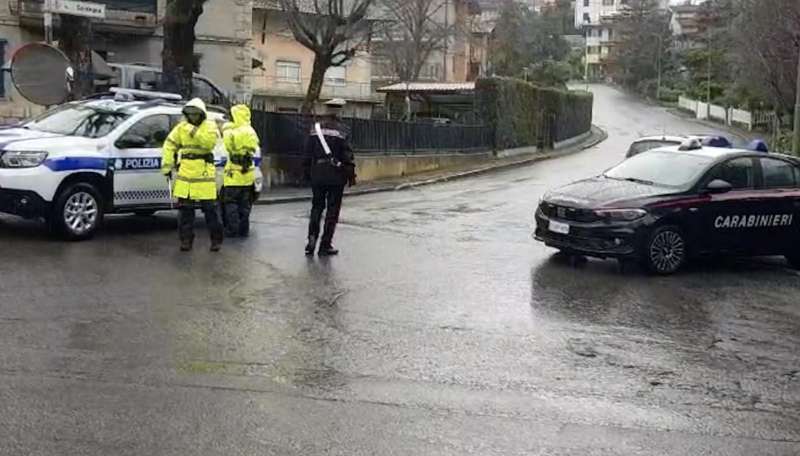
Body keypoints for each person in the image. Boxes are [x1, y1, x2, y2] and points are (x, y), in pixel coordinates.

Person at [162, 98, 224, 252]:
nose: (193, 117)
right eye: (190, 114)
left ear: (202, 114)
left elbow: (208, 143)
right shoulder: (180, 128)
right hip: (186, 174)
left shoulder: (210, 126)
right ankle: (186, 241)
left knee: (211, 211)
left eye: (196, 114)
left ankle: (216, 240)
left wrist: (192, 130)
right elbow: (169, 144)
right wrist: (167, 165)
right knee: (185, 212)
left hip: (204, 175)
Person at [304, 98, 357, 256]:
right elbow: (347, 156)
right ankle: (325, 244)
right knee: (332, 211)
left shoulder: (315, 129)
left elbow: (307, 152)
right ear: (339, 111)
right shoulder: (342, 130)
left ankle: (312, 238)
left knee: (316, 207)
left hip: (318, 173)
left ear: (326, 110)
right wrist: (351, 175)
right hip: (336, 175)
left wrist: (307, 173)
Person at [221, 104, 260, 238]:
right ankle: (244, 230)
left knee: (230, 202)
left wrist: (226, 128)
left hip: (234, 174)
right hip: (247, 174)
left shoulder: (233, 131)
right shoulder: (251, 131)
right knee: (245, 204)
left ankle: (233, 229)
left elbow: (227, 145)